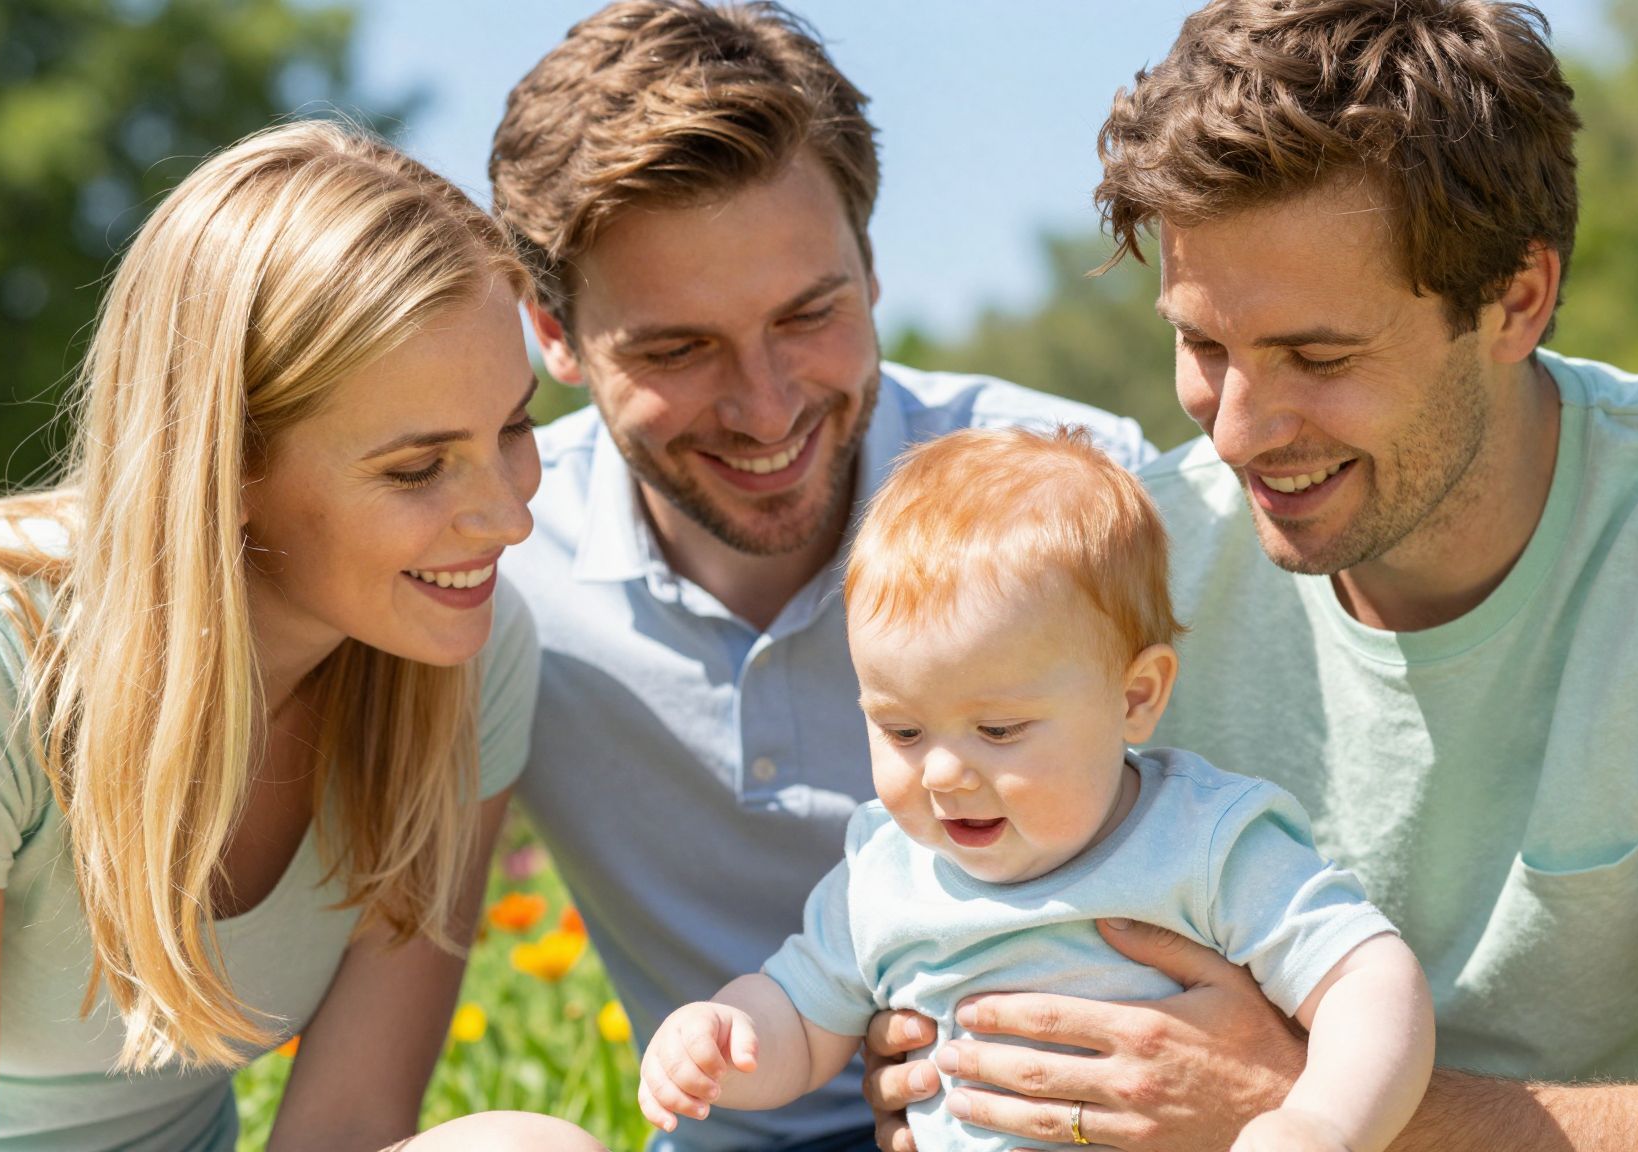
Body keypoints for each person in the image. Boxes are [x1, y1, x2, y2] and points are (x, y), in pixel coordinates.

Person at [859, 2, 1638, 1150]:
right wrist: (959, 1065)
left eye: (1317, 356)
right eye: (1204, 345)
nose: (1236, 431)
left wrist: (1290, 1100)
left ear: (1516, 300)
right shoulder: (1130, 576)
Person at [488, 5, 1154, 1150]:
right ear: (553, 332)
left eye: (809, 314)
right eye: (676, 349)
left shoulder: (1088, 496)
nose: (765, 409)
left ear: (871, 268)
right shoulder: (497, 558)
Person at [0, 121, 603, 1152]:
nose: (509, 520)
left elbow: (347, 1124)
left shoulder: (465, 652)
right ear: (226, 465)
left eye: (512, 428)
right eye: (417, 469)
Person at [635, 427, 1434, 1152]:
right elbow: (800, 1021)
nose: (942, 773)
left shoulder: (1203, 841)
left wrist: (1320, 1122)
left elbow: (1368, 980)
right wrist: (725, 1035)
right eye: (902, 731)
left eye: (998, 730)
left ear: (1135, 698)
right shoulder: (885, 874)